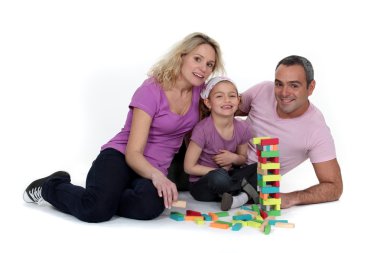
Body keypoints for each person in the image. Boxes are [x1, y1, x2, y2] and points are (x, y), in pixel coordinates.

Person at [23, 32, 225, 222]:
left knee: (150, 207)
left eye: (209, 64)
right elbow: (133, 152)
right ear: (182, 57)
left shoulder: (202, 93)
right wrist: (157, 177)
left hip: (155, 167)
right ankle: (52, 186)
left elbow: (229, 103)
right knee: (95, 211)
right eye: (197, 59)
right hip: (121, 157)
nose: (203, 68)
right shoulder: (152, 90)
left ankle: (105, 197)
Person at [238, 55, 343, 209]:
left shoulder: (316, 130)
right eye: (279, 84)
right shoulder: (263, 90)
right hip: (211, 157)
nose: (284, 93)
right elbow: (223, 108)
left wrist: (292, 197)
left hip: (249, 181)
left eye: (294, 85)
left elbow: (334, 187)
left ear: (311, 87)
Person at [184, 77, 259, 211]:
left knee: (260, 168)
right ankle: (246, 193)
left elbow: (242, 158)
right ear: (208, 102)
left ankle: (236, 198)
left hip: (230, 176)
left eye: (232, 96)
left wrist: (234, 158)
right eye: (219, 96)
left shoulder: (243, 127)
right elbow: (189, 167)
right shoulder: (202, 129)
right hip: (204, 184)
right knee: (219, 178)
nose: (227, 100)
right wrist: (220, 171)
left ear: (238, 100)